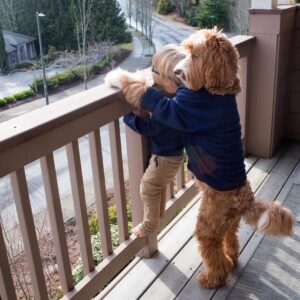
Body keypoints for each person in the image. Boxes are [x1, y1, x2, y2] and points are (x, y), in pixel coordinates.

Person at [123, 44, 186, 237]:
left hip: (165, 159)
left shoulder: (167, 110)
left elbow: (149, 128)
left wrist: (129, 118)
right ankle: (157, 218)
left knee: (149, 187)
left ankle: (149, 226)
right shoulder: (178, 99)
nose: (150, 72)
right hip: (173, 156)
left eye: (153, 69)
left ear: (168, 81)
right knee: (157, 187)